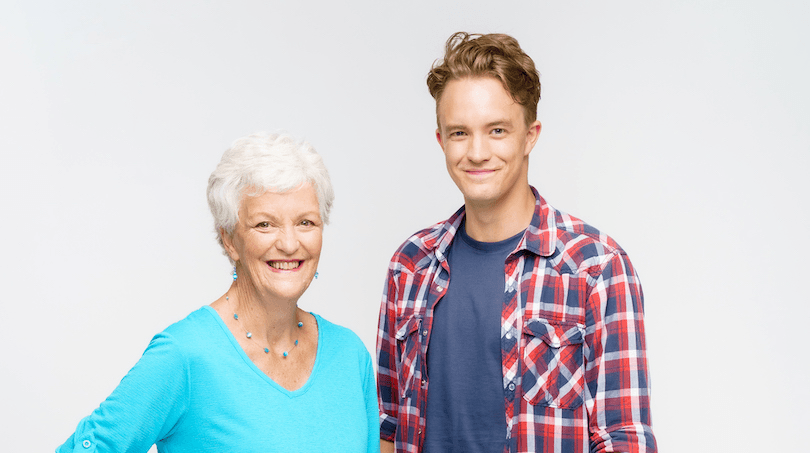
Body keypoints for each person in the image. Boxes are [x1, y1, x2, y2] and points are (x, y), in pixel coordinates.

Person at [376, 32, 657, 453]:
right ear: (441, 140)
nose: (477, 152)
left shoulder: (596, 268)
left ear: (530, 135)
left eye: (497, 130)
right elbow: (388, 426)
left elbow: (624, 439)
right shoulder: (410, 266)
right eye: (459, 133)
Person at [58, 133, 379, 452]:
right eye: (265, 224)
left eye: (306, 222)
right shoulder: (185, 355)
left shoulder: (350, 356)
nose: (289, 243)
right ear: (229, 240)